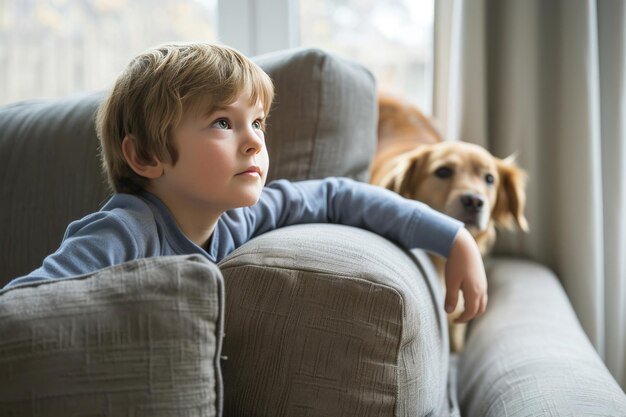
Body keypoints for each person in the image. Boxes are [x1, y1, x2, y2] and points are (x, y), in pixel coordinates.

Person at [4, 42, 487, 323]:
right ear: (147, 155)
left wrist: (451, 235)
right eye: (222, 123)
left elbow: (339, 196)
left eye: (257, 123)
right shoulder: (124, 231)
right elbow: (23, 307)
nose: (254, 142)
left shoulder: (241, 216)